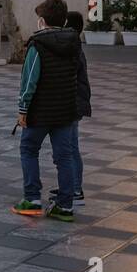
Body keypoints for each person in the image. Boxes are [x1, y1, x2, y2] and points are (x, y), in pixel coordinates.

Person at [11, 0, 80, 222]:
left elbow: (29, 81)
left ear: (41, 21)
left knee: (29, 150)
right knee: (65, 156)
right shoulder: (74, 42)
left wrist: (23, 110)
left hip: (40, 111)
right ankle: (65, 205)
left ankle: (32, 199)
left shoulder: (37, 45)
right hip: (66, 109)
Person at [58, 11, 90, 206]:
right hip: (75, 101)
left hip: (73, 102)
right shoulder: (74, 46)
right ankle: (71, 186)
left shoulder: (71, 48)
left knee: (70, 147)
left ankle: (75, 189)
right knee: (70, 147)